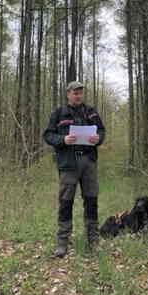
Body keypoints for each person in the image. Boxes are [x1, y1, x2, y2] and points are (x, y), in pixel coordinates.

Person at [43, 80, 106, 258]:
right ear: (68, 94)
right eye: (75, 93)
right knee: (66, 202)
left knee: (91, 200)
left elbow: (102, 131)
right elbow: (48, 135)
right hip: (68, 163)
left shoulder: (91, 112)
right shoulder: (58, 113)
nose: (78, 95)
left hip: (89, 161)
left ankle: (93, 240)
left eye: (80, 92)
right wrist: (63, 140)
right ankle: (62, 242)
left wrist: (98, 139)